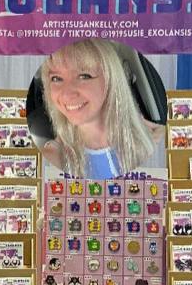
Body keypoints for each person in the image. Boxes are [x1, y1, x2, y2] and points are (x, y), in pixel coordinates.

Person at [38, 38, 164, 179]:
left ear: (111, 81)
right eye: (56, 78)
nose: (66, 94)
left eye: (84, 76)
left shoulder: (148, 142)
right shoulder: (54, 157)